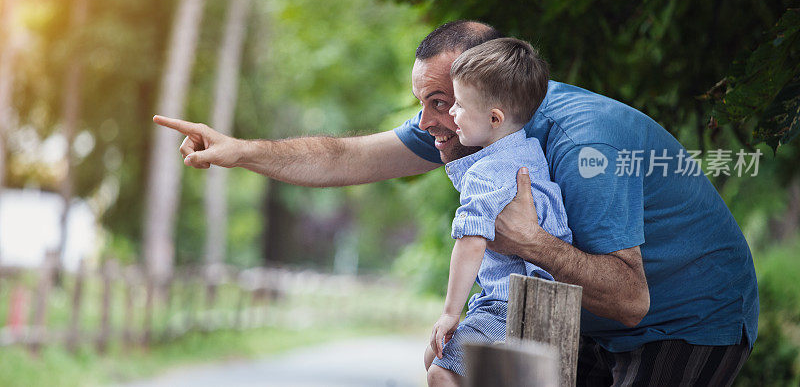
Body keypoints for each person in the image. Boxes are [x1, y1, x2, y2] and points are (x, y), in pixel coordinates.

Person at [153, 20, 757, 385]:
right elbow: (345, 157)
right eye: (426, 101)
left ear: (492, 94)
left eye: (441, 102)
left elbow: (630, 297)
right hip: (587, 322)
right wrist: (239, 150)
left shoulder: (582, 140)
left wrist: (532, 243)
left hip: (688, 322)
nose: (428, 121)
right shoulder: (475, 123)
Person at [424, 38, 572, 386]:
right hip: (548, 304)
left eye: (458, 104)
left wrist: (449, 313)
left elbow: (471, 241)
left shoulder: (485, 172)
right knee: (434, 354)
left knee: (439, 372)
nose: (452, 114)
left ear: (494, 117)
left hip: (508, 307)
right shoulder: (530, 151)